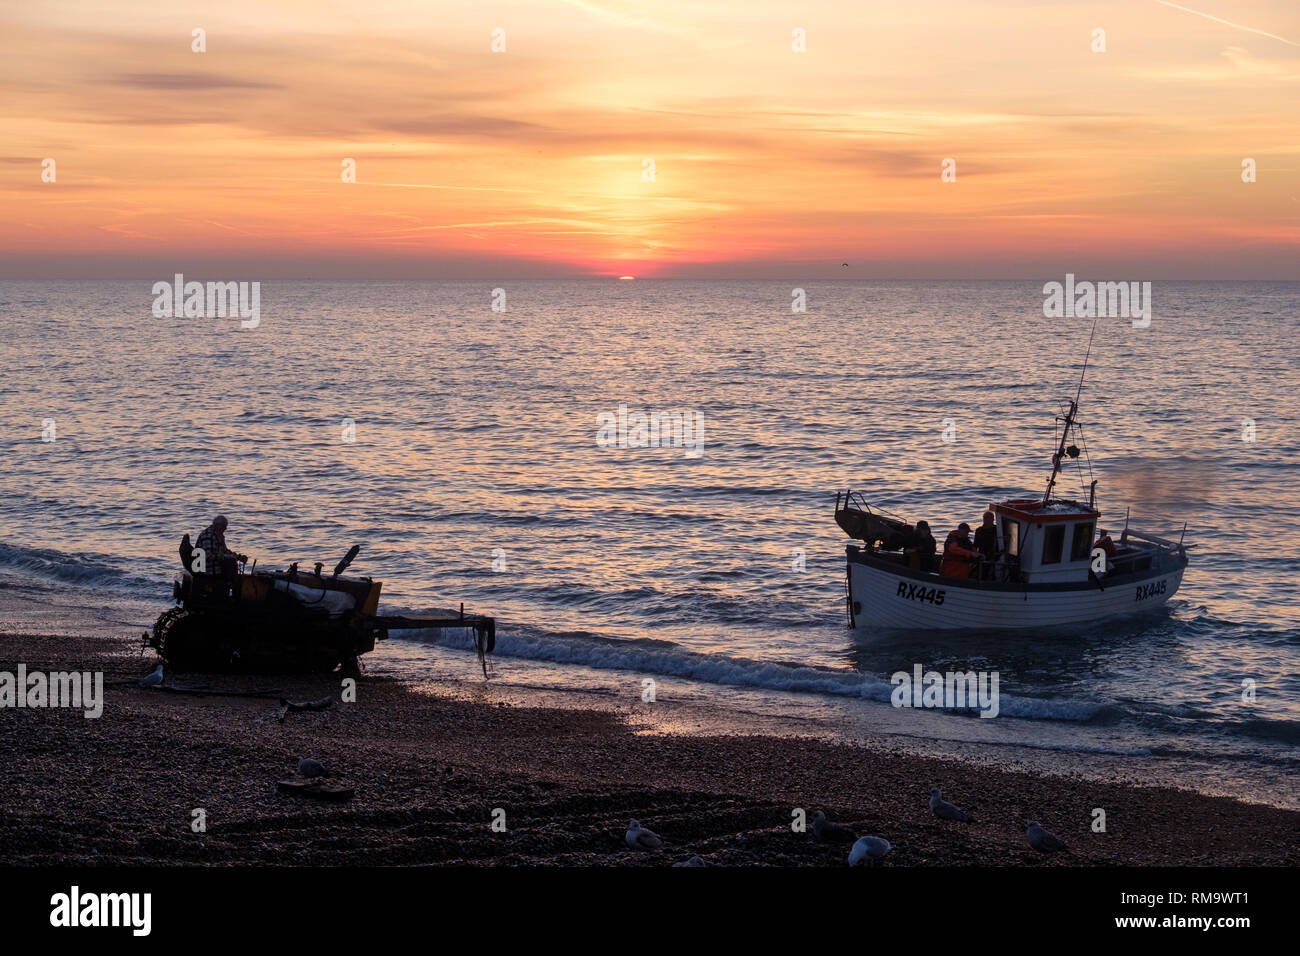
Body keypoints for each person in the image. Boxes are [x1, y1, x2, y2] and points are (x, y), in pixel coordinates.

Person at [972, 510, 999, 579]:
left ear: (993, 519)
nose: (986, 520)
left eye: (988, 518)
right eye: (985, 518)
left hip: (994, 555)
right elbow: (975, 545)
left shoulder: (997, 530)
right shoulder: (979, 530)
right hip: (981, 554)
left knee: (992, 573)